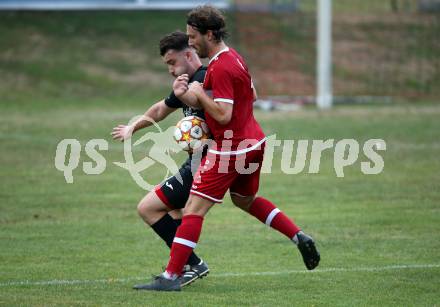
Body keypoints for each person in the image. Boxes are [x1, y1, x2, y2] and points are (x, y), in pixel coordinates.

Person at [134, 5, 320, 292]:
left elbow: (222, 116)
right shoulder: (235, 58)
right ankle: (299, 237)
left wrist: (197, 95)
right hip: (254, 142)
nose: (191, 42)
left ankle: (171, 277)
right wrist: (191, 97)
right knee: (245, 199)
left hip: (230, 150)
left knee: (193, 210)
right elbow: (251, 94)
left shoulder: (220, 67)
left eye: (193, 36)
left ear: (209, 34)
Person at [111, 31, 209, 287]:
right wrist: (134, 126)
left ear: (188, 54)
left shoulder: (207, 80)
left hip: (208, 164)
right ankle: (190, 264)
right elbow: (160, 109)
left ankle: (192, 265)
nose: (170, 69)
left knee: (148, 208)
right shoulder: (185, 84)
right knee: (173, 208)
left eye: (172, 62)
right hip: (195, 161)